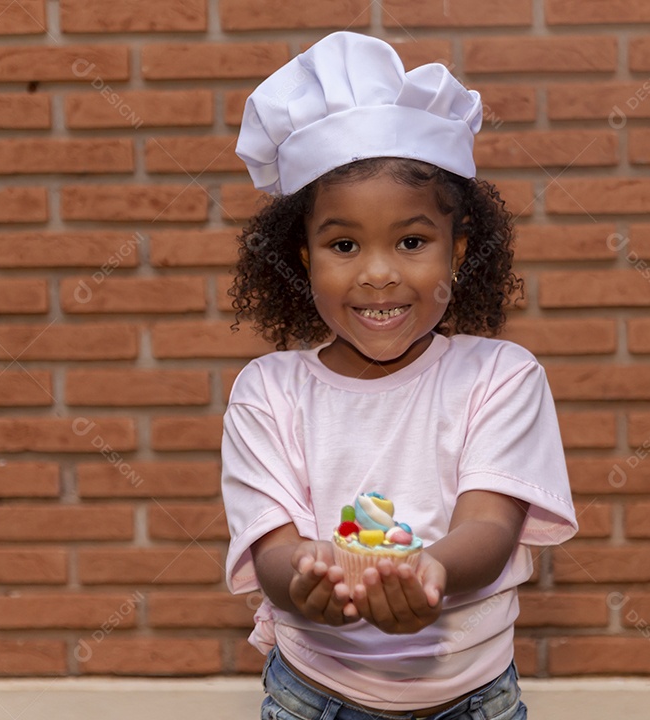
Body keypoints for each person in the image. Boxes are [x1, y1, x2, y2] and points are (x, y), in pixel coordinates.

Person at [222, 31, 577, 720]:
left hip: (474, 700)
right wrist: (308, 579)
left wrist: (434, 571)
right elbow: (271, 549)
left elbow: (490, 524)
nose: (378, 272)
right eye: (344, 244)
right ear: (303, 256)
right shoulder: (268, 393)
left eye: (411, 242)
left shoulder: (499, 377)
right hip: (315, 697)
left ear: (458, 251)